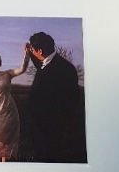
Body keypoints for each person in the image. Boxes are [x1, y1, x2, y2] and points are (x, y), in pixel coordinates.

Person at [28, 32, 83, 163]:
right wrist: (30, 52)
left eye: (33, 50)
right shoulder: (46, 63)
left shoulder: (65, 70)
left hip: (52, 129)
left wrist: (55, 123)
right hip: (40, 127)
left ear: (40, 51)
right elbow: (40, 65)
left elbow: (71, 100)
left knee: (49, 158)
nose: (32, 52)